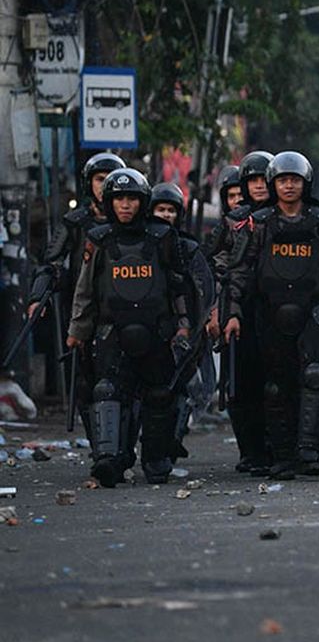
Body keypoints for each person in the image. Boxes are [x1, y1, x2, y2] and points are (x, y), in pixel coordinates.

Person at [223, 152, 319, 479]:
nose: (288, 186)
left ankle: (309, 452)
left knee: (315, 376)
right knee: (276, 386)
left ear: (305, 183)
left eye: (294, 180)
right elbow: (239, 272)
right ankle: (283, 456)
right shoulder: (258, 224)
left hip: (315, 312)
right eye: (282, 180)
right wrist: (232, 313)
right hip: (269, 313)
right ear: (273, 183)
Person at [66, 169, 194, 486]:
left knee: (160, 394)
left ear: (143, 202)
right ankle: (108, 459)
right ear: (110, 202)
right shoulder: (98, 239)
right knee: (106, 390)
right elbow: (85, 291)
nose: (125, 205)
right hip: (111, 331)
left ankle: (157, 459)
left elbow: (179, 286)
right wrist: (77, 332)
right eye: (119, 199)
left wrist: (184, 326)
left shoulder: (163, 237)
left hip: (156, 331)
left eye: (132, 199)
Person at [29, 153, 126, 438]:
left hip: (123, 311)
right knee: (85, 383)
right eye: (99, 179)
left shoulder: (129, 219)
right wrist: (39, 296)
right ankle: (100, 442)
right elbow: (51, 263)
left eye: (109, 179)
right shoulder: (75, 222)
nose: (104, 185)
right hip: (82, 312)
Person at [207, 151, 274, 475]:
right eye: (252, 180)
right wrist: (217, 309)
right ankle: (251, 451)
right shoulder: (234, 221)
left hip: (279, 312)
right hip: (239, 310)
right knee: (239, 383)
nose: (259, 186)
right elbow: (214, 261)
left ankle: (282, 449)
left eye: (264, 179)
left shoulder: (291, 215)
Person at [149, 182, 216, 461]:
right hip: (149, 329)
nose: (165, 215)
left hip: (185, 329)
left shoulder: (188, 248)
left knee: (186, 388)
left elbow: (203, 289)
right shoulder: (140, 245)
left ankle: (172, 441)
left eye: (170, 210)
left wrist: (197, 325)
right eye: (160, 210)